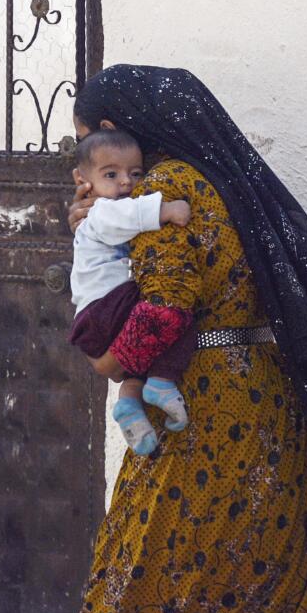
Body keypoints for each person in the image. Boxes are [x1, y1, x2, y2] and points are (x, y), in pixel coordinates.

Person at [56, 65, 307, 613]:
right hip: (270, 398)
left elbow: (166, 302)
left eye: (85, 140)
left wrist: (109, 362)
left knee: (157, 575)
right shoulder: (227, 183)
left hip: (199, 406)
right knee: (275, 571)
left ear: (110, 129)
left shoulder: (157, 191)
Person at [67, 128, 194, 455]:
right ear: (82, 180)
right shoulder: (102, 210)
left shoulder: (93, 214)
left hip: (94, 317)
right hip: (106, 307)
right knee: (172, 314)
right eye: (111, 174)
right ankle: (163, 382)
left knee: (142, 353)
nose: (126, 182)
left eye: (136, 174)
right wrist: (166, 210)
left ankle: (129, 402)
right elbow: (129, 216)